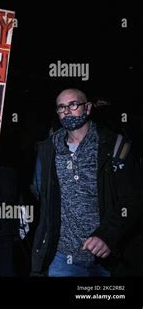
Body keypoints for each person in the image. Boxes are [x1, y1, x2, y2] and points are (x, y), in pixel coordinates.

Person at [31, 88, 143, 277]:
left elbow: (133, 199)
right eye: (61, 107)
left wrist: (107, 236)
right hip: (63, 257)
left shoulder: (114, 147)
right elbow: (41, 195)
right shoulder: (48, 150)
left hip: (108, 256)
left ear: (88, 108)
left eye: (73, 105)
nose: (67, 111)